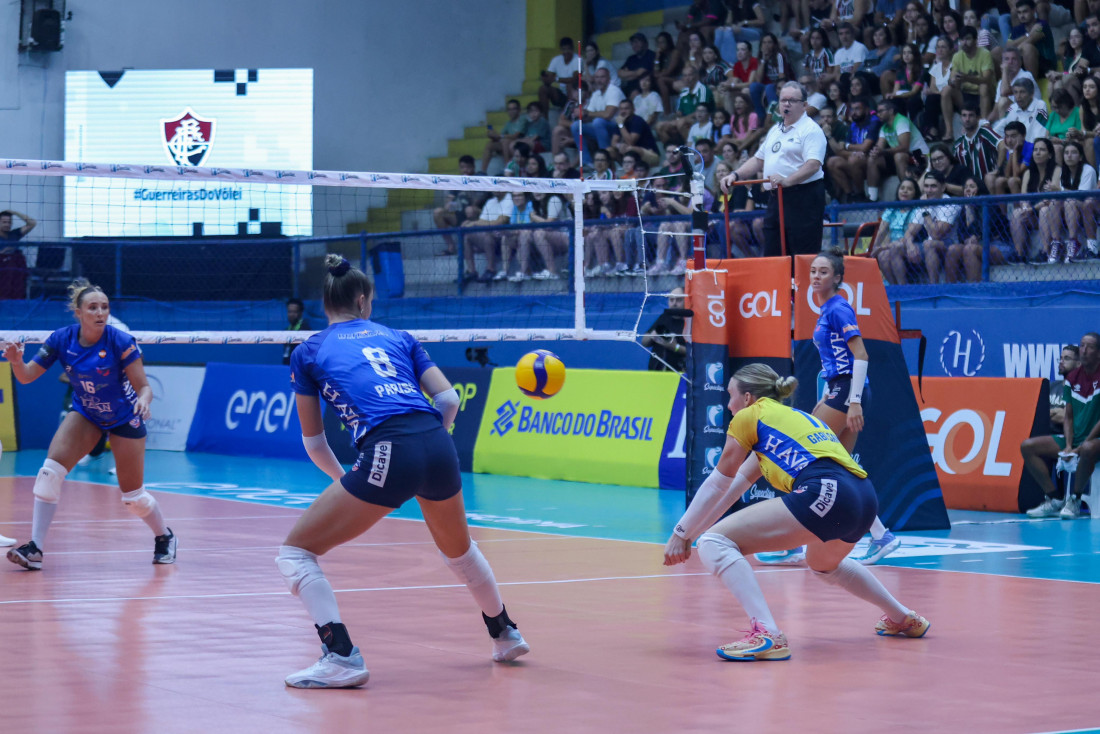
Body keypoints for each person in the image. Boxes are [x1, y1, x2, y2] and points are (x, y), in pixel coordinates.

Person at [279, 254, 529, 689]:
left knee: (295, 554)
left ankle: (340, 657)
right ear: (363, 302)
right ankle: (505, 633)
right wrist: (431, 442)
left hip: (387, 448)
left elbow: (314, 442)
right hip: (437, 442)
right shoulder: (399, 336)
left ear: (325, 303)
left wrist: (349, 483)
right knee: (460, 552)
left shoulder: (309, 350)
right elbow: (449, 401)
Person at [662, 363, 929, 661]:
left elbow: (717, 482)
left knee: (714, 543)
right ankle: (903, 617)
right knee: (823, 565)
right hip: (864, 497)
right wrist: (690, 534)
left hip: (826, 490)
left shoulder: (749, 416)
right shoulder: (790, 418)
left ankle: (768, 634)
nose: (728, 405)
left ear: (748, 398)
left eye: (730, 396)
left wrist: (681, 533)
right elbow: (732, 489)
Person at [3, 279, 174, 571]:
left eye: (104, 307)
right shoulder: (61, 339)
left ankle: (164, 536)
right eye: (92, 307)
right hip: (87, 413)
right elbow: (27, 376)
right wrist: (17, 361)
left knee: (133, 498)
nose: (100, 312)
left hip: (124, 417)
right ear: (79, 313)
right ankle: (35, 549)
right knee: (49, 473)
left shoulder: (120, 341)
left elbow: (144, 387)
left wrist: (144, 401)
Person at [758, 252, 901, 565]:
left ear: (837, 278)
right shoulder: (826, 310)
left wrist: (853, 401)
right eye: (813, 271)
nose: (816, 276)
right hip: (838, 390)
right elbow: (836, 362)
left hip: (848, 391)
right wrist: (826, 397)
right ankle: (882, 536)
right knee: (842, 467)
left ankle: (792, 541)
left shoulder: (838, 308)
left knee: (798, 454)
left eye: (824, 272)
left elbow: (860, 355)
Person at [721, 82, 827, 257]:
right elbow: (757, 159)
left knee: (801, 255)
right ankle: (779, 285)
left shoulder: (811, 130)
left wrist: (787, 180)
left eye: (792, 100)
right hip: (776, 198)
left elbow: (813, 164)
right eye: (783, 100)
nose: (786, 104)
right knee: (774, 252)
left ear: (804, 105)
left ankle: (800, 284)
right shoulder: (775, 130)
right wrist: (735, 174)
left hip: (803, 198)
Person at [1022, 332, 1100, 519]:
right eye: (1081, 345)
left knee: (1088, 448)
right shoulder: (1072, 378)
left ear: (1098, 353)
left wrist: (1082, 445)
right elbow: (1069, 417)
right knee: (1028, 446)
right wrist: (1068, 445)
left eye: (1089, 346)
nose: (1084, 350)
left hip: (1095, 439)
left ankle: (1074, 499)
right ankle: (1055, 499)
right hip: (1076, 438)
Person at [641, 288, 689, 371]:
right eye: (671, 300)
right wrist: (652, 336)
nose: (674, 304)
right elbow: (644, 342)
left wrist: (675, 347)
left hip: (679, 373)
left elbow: (697, 352)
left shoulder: (691, 321)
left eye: (679, 300)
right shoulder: (664, 317)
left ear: (686, 301)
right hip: (656, 371)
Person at [282, 297, 311, 366]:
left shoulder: (305, 329)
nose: (291, 315)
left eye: (294, 312)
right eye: (289, 312)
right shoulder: (287, 329)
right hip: (287, 367)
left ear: (301, 313)